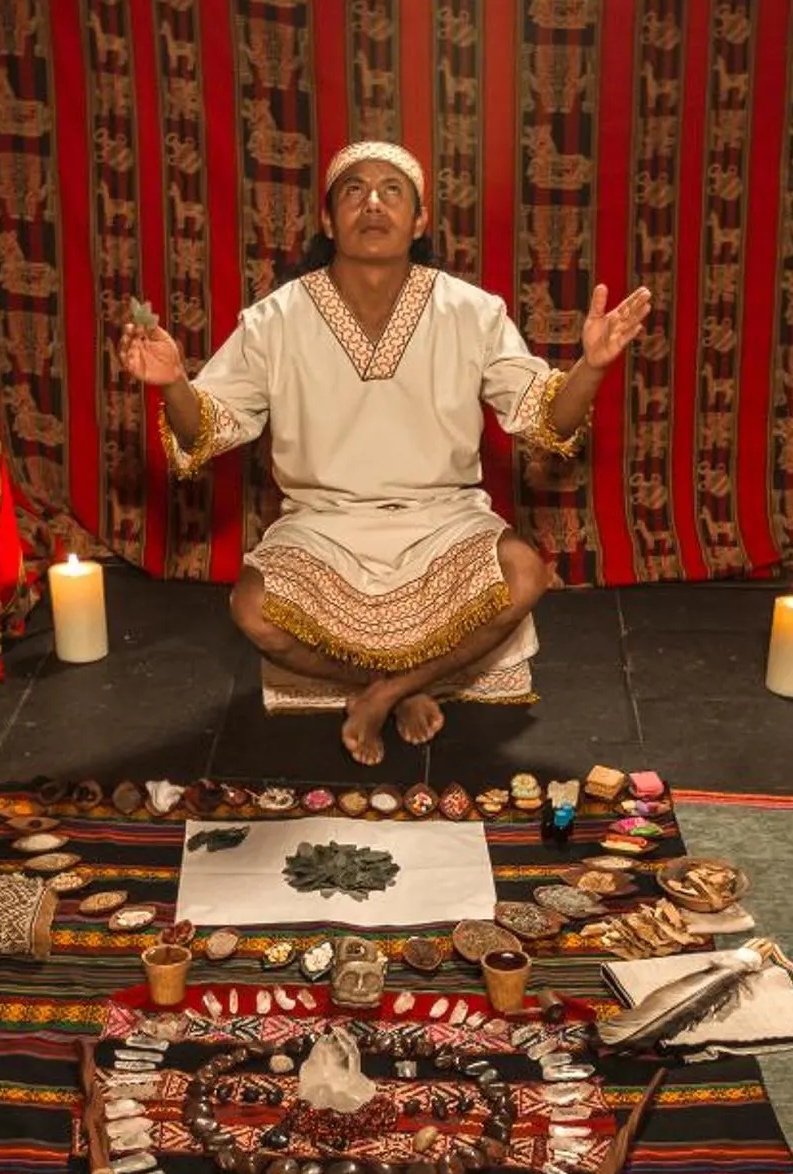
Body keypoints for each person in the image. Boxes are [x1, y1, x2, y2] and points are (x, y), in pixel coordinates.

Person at [114, 141, 651, 764]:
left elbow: (543, 416)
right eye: (353, 190)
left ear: (419, 221)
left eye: (392, 190)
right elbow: (209, 427)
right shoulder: (275, 319)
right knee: (252, 608)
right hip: (323, 526)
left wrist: (590, 366)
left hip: (443, 520)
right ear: (327, 220)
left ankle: (388, 691)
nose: (372, 202)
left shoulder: (472, 312)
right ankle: (391, 691)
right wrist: (174, 382)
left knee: (526, 574)